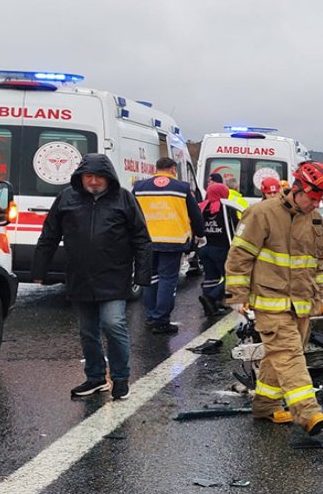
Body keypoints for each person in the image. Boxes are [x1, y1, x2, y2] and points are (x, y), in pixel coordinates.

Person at [225, 161, 323, 434]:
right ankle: (308, 412)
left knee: (279, 358)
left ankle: (264, 405)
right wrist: (236, 295)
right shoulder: (262, 213)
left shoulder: (316, 220)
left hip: (302, 304)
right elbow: (239, 257)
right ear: (296, 189)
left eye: (319, 199)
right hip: (270, 303)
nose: (315, 203)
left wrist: (319, 296)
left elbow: (318, 263)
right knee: (289, 355)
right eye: (312, 197)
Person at [33, 153, 151, 399]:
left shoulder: (124, 199)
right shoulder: (67, 198)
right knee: (87, 331)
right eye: (89, 176)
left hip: (114, 276)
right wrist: (39, 270)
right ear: (80, 177)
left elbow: (141, 239)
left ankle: (120, 377)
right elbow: (49, 235)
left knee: (113, 324)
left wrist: (142, 274)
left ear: (109, 178)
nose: (94, 181)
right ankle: (95, 377)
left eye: (99, 176)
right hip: (80, 277)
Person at [133, 158, 204, 334]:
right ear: (173, 169)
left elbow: (132, 213)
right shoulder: (182, 188)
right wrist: (200, 234)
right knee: (167, 280)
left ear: (156, 169)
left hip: (147, 240)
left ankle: (150, 316)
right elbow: (195, 214)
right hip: (173, 240)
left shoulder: (140, 187)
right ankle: (161, 320)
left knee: (151, 279)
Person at [197, 181, 239, 316]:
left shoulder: (202, 208)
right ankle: (212, 298)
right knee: (232, 277)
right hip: (221, 249)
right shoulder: (227, 208)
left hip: (204, 248)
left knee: (211, 278)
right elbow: (236, 228)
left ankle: (210, 306)